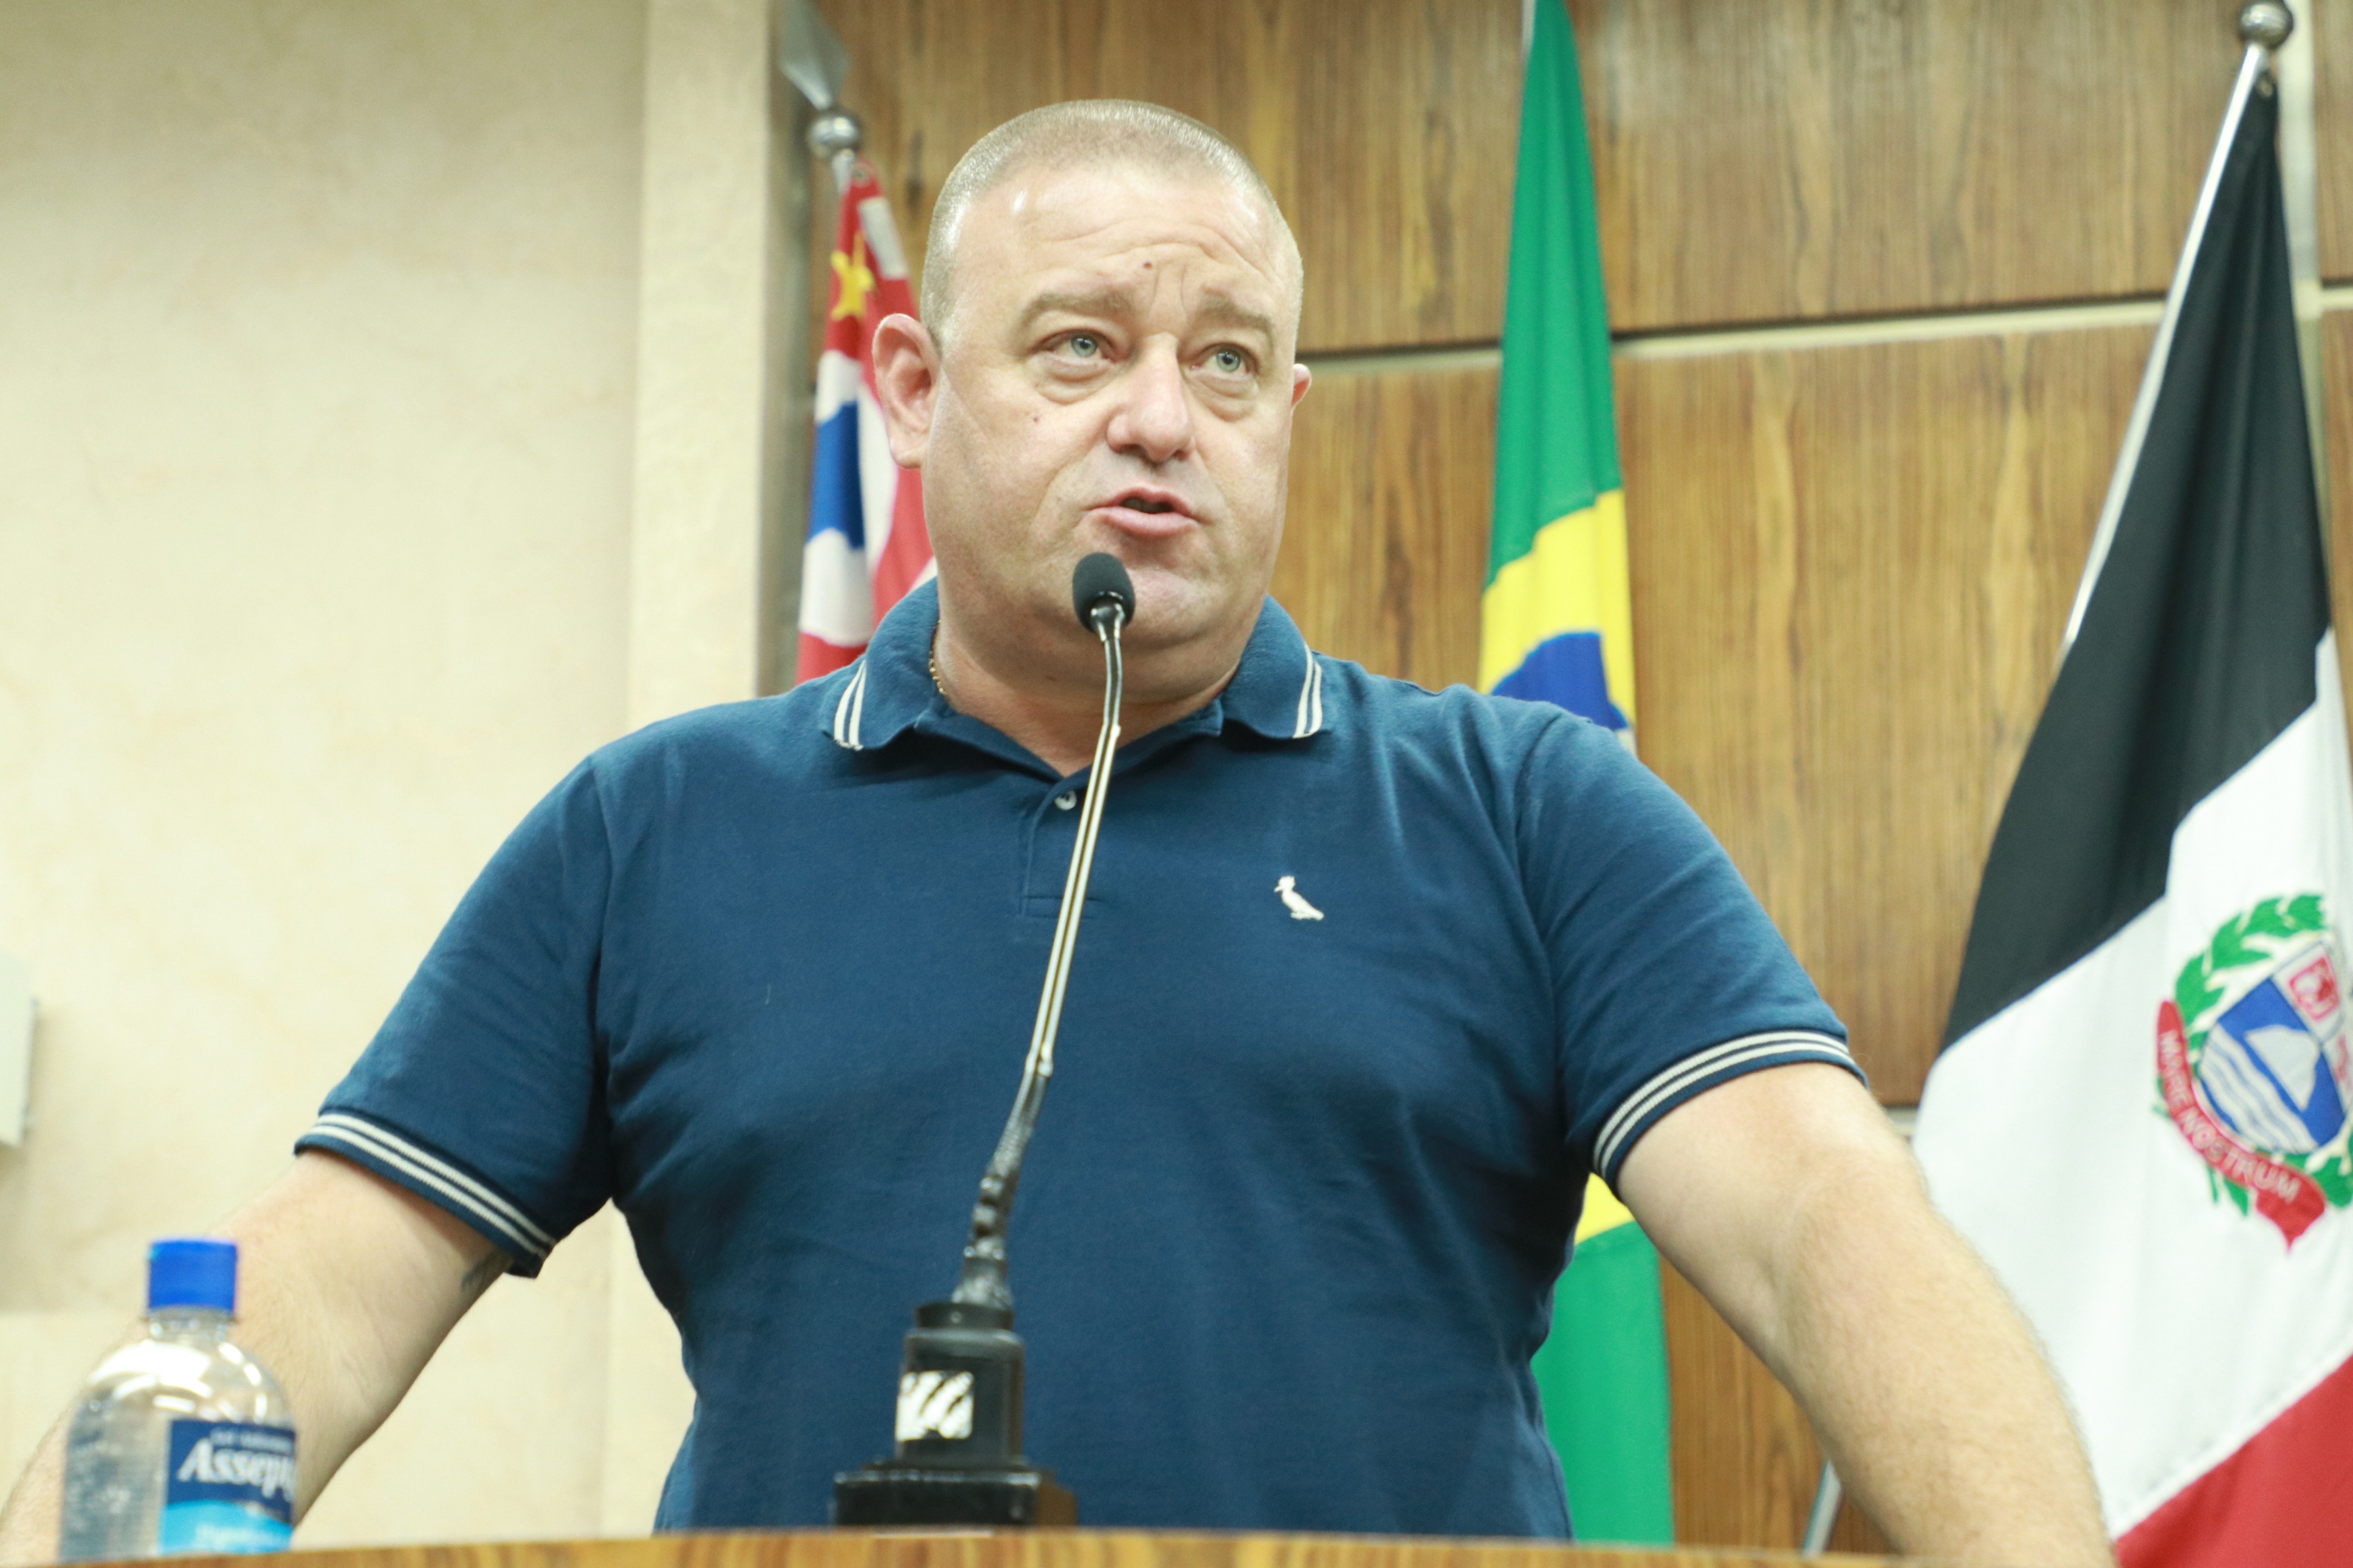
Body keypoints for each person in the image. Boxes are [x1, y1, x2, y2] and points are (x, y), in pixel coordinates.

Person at [0, 101, 2112, 1566]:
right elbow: (319, 1291)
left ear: (1289, 414)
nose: (1161, 420)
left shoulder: (1527, 811)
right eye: (1084, 348)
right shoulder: (657, 828)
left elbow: (1825, 1217)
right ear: (917, 386)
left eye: (1228, 364)